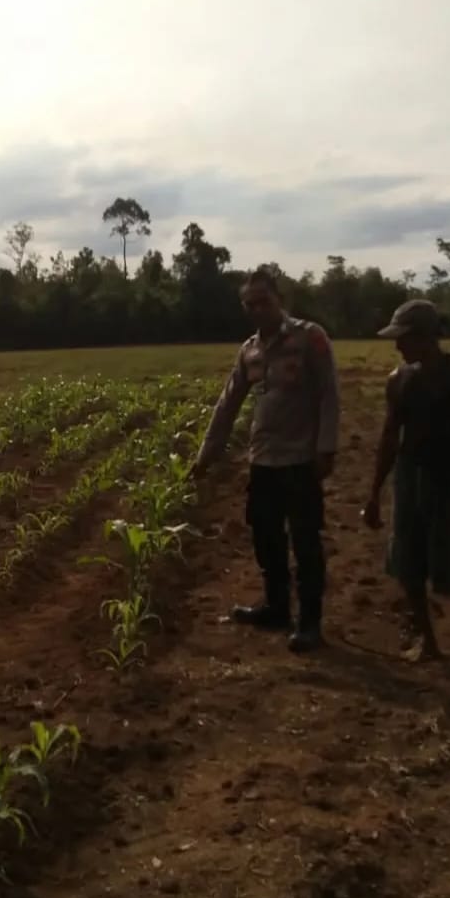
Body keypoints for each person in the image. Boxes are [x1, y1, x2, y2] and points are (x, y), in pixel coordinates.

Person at [190, 268, 340, 651]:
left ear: (279, 300)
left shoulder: (309, 337)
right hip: (264, 459)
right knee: (265, 536)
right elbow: (228, 404)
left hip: (301, 458)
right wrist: (206, 454)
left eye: (263, 301)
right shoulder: (250, 350)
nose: (257, 309)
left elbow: (328, 394)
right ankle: (276, 607)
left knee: (305, 541)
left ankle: (310, 622)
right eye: (250, 304)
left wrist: (326, 448)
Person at [362, 298, 450, 661]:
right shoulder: (398, 380)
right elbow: (390, 437)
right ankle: (428, 641)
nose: (397, 346)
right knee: (409, 559)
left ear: (425, 336)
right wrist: (374, 493)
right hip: (411, 477)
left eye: (402, 338)